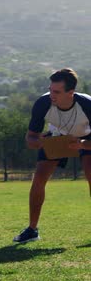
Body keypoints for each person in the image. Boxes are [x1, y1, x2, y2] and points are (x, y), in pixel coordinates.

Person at [14, 68, 91, 243]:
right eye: (50, 89)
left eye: (56, 92)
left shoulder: (87, 104)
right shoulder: (43, 103)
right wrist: (39, 141)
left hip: (86, 138)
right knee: (39, 178)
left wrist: (82, 144)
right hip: (56, 137)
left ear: (71, 92)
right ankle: (32, 230)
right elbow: (30, 138)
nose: (51, 95)